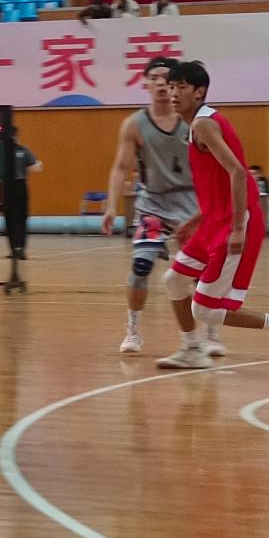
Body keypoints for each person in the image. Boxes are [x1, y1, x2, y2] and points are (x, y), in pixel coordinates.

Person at [101, 56, 223, 356]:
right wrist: (111, 205)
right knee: (141, 266)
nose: (160, 84)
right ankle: (132, 329)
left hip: (192, 204)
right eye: (153, 78)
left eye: (166, 79)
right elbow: (121, 167)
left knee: (201, 272)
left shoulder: (195, 120)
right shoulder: (134, 124)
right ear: (145, 83)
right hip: (153, 204)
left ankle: (211, 332)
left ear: (177, 86)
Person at [156, 59, 268, 370]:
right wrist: (195, 220)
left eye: (181, 87)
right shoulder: (199, 123)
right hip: (213, 222)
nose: (173, 93)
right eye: (171, 86)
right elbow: (217, 184)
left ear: (199, 92)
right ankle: (192, 349)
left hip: (235, 221)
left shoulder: (203, 124)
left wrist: (237, 228)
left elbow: (237, 172)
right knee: (174, 281)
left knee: (205, 309)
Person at [4, 126, 42, 260]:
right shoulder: (22, 150)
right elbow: (36, 167)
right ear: (16, 136)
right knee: (19, 218)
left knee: (11, 219)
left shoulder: (3, 151)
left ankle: (15, 249)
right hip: (18, 186)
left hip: (8, 187)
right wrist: (35, 164)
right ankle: (19, 249)